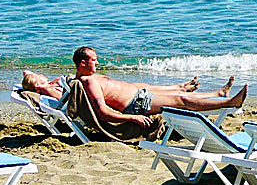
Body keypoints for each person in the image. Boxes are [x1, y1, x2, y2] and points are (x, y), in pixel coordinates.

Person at [72, 46, 247, 128]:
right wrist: (132, 119)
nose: (98, 62)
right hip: (136, 105)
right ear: (83, 63)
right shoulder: (89, 82)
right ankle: (229, 103)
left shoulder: (88, 78)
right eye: (94, 60)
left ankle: (219, 93)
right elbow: (102, 112)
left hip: (139, 94)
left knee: (179, 92)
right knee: (181, 100)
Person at [22, 69, 201, 100]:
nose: (42, 74)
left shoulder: (48, 85)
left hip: (97, 87)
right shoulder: (49, 90)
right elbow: (70, 99)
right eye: (39, 76)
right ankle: (179, 88)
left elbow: (27, 75)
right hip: (96, 93)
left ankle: (179, 87)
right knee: (141, 89)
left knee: (142, 86)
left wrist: (30, 77)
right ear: (37, 85)